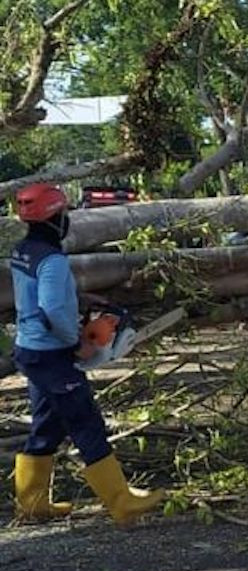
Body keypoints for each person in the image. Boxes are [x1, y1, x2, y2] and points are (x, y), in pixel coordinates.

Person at [10, 183, 165, 526]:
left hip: (31, 348)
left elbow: (38, 297)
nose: (67, 219)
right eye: (63, 214)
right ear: (54, 217)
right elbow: (51, 309)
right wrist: (75, 342)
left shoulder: (25, 250)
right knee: (85, 421)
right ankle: (121, 502)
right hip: (51, 353)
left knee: (47, 426)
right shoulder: (51, 260)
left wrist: (81, 299)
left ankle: (32, 504)